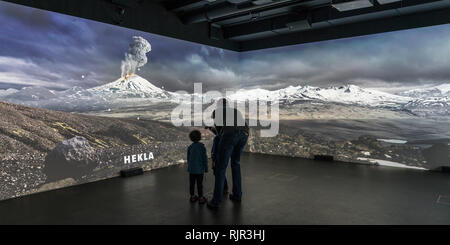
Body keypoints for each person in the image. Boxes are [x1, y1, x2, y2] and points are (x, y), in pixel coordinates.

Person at [207, 98, 249, 209]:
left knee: (221, 168)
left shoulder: (217, 111)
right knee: (236, 164)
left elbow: (221, 134)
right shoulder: (236, 110)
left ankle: (216, 201)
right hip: (244, 134)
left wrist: (212, 130)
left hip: (230, 135)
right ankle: (237, 195)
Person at [187, 130, 208, 204]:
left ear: (191, 138)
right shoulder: (202, 147)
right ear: (200, 137)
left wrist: (189, 168)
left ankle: (192, 196)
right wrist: (206, 168)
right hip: (199, 170)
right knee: (199, 184)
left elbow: (188, 159)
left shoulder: (190, 147)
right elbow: (204, 158)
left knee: (191, 184)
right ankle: (201, 198)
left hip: (192, 170)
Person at [209, 127, 229, 195]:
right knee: (221, 173)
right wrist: (209, 128)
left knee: (218, 174)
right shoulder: (224, 136)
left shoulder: (217, 138)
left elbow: (214, 151)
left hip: (217, 159)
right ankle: (225, 188)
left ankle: (220, 190)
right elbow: (216, 131)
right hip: (223, 157)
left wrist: (213, 160)